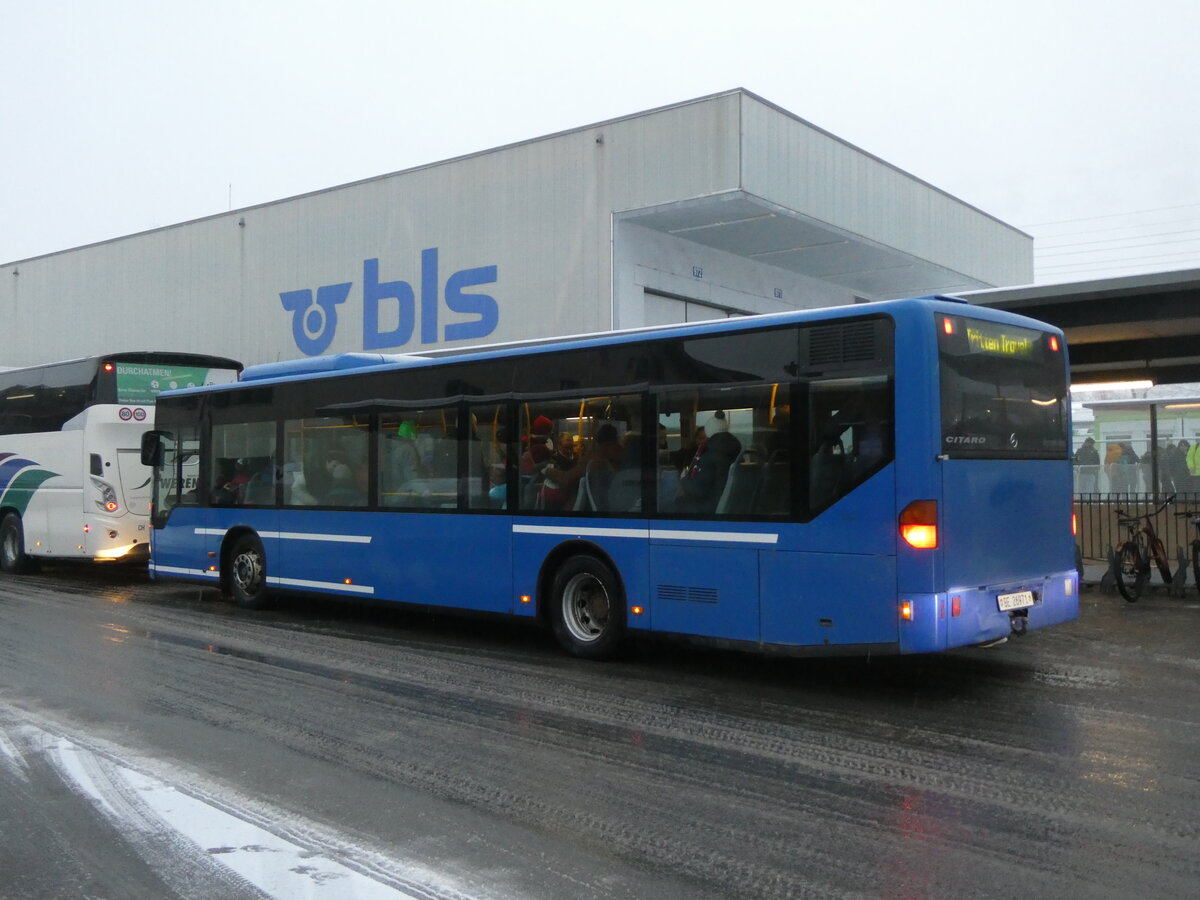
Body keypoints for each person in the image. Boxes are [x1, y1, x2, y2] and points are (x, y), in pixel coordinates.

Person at [676, 411, 741, 514]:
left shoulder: (709, 457)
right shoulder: (735, 454)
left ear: (709, 431)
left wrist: (684, 479)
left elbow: (698, 491)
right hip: (727, 506)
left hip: (709, 508)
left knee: (675, 503)